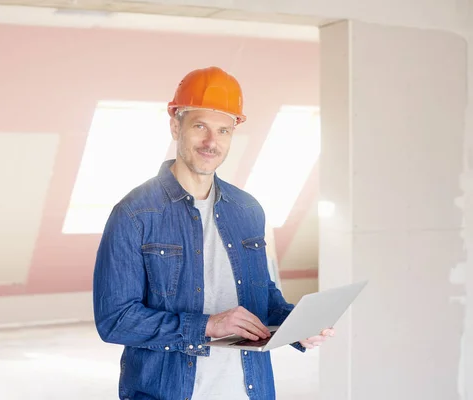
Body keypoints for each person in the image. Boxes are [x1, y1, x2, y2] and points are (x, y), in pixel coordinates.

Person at [93, 66, 334, 400]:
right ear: (175, 126)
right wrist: (206, 326)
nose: (211, 142)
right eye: (200, 126)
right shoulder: (135, 213)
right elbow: (115, 320)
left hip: (249, 390)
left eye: (223, 131)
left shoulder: (247, 210)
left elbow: (261, 296)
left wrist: (297, 326)